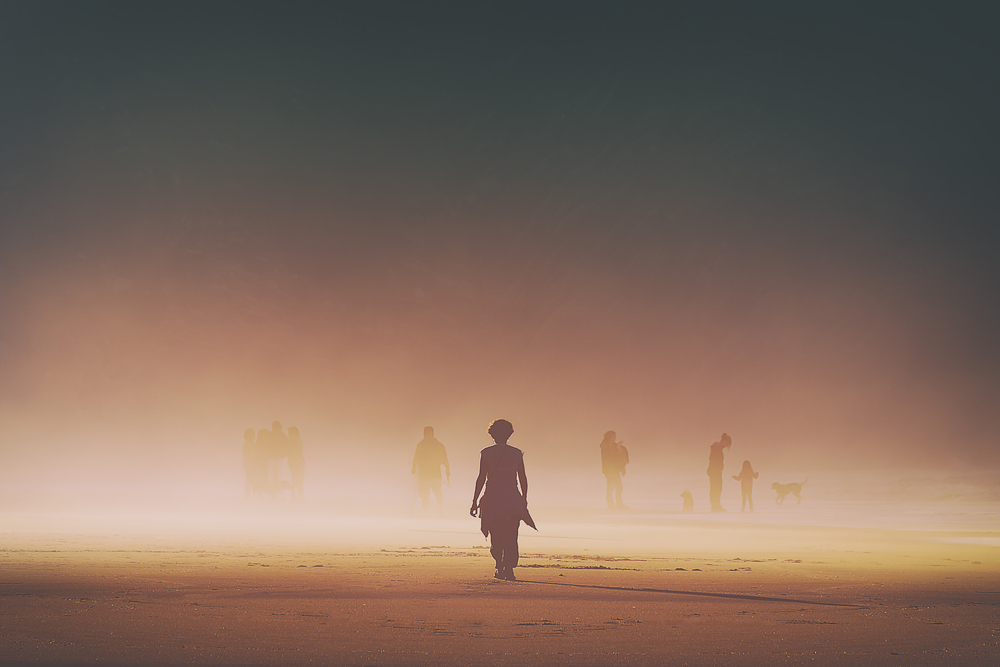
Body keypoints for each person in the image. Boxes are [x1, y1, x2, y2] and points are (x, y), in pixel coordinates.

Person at [470, 419, 535, 581]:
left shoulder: (486, 453)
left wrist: (474, 501)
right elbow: (523, 478)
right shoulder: (517, 453)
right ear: (510, 434)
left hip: (493, 497)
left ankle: (499, 565)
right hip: (512, 497)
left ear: (491, 434)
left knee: (496, 533)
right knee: (511, 534)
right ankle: (509, 568)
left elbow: (481, 479)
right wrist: (524, 498)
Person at [411, 426, 450, 515]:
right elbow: (445, 459)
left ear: (424, 434)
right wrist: (447, 471)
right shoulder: (439, 445)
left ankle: (426, 511)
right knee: (438, 492)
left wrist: (413, 467)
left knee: (424, 494)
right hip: (436, 473)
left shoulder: (421, 444)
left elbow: (416, 456)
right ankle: (441, 510)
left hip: (424, 474)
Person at [599, 430, 629, 510]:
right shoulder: (605, 446)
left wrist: (619, 448)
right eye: (614, 436)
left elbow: (618, 456)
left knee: (618, 487)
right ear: (610, 437)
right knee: (611, 487)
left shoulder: (613, 445)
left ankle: (619, 504)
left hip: (615, 469)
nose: (615, 438)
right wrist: (617, 448)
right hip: (609, 470)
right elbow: (609, 457)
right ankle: (611, 505)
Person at [707, 432, 732, 512]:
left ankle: (716, 505)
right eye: (727, 444)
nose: (726, 447)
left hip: (714, 470)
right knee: (716, 488)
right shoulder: (717, 448)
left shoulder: (717, 448)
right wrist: (718, 468)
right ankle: (715, 506)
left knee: (716, 488)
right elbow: (714, 460)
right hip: (715, 470)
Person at [287, 426, 305, 501]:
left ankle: (294, 497)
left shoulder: (291, 440)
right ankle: (299, 497)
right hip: (297, 461)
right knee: (298, 479)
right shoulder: (296, 440)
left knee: (294, 479)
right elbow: (297, 452)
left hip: (293, 461)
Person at [241, 428, 257, 500]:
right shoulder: (247, 443)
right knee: (250, 479)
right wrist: (251, 459)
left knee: (250, 479)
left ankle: (248, 496)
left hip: (250, 463)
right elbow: (245, 454)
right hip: (249, 463)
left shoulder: (249, 442)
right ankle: (248, 496)